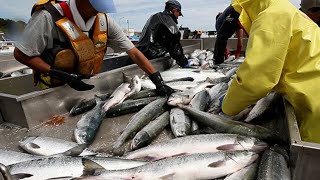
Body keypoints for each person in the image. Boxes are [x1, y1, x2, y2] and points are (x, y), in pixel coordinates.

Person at [13, 0, 174, 96]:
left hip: (86, 85)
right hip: (51, 90)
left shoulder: (103, 20)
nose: (97, 10)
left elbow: (134, 52)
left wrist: (157, 80)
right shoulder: (48, 16)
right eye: (94, 4)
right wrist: (59, 74)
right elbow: (21, 54)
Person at [221, 0, 320, 143]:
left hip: (315, 103)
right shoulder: (285, 9)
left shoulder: (271, 15)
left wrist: (226, 106)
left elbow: (255, 80)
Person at [135, 0, 189, 68]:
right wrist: (184, 62)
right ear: (174, 10)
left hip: (138, 53)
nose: (178, 16)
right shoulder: (169, 22)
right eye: (179, 13)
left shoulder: (154, 16)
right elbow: (175, 47)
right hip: (150, 56)